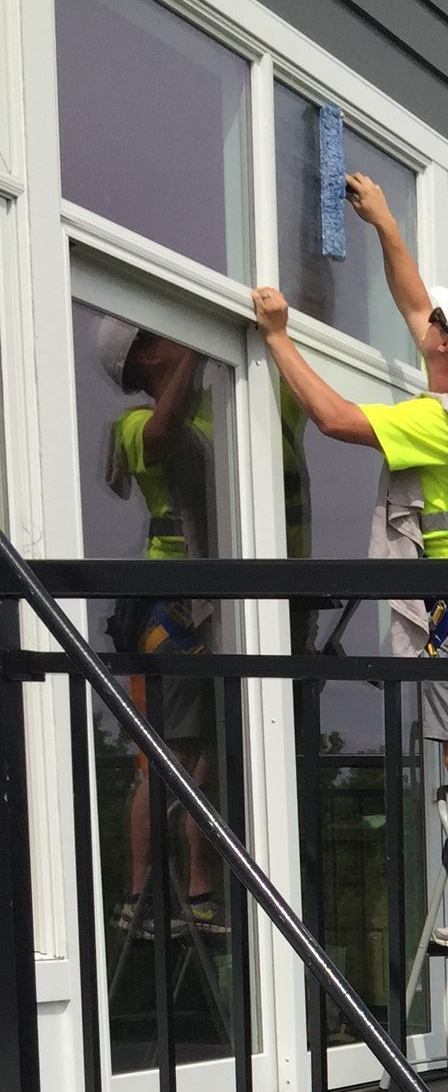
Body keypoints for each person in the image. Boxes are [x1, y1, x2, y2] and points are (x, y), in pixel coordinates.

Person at [252, 174, 448, 947]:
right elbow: (421, 306)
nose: (427, 322)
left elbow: (334, 417)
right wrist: (386, 225)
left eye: (438, 325)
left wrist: (281, 336)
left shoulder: (430, 419)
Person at [96, 319, 225, 936]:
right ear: (143, 357)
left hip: (205, 604)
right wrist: (202, 344)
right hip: (169, 608)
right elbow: (163, 432)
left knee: (201, 757)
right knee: (168, 755)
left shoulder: (216, 415)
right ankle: (143, 895)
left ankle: (198, 894)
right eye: (165, 334)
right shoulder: (132, 426)